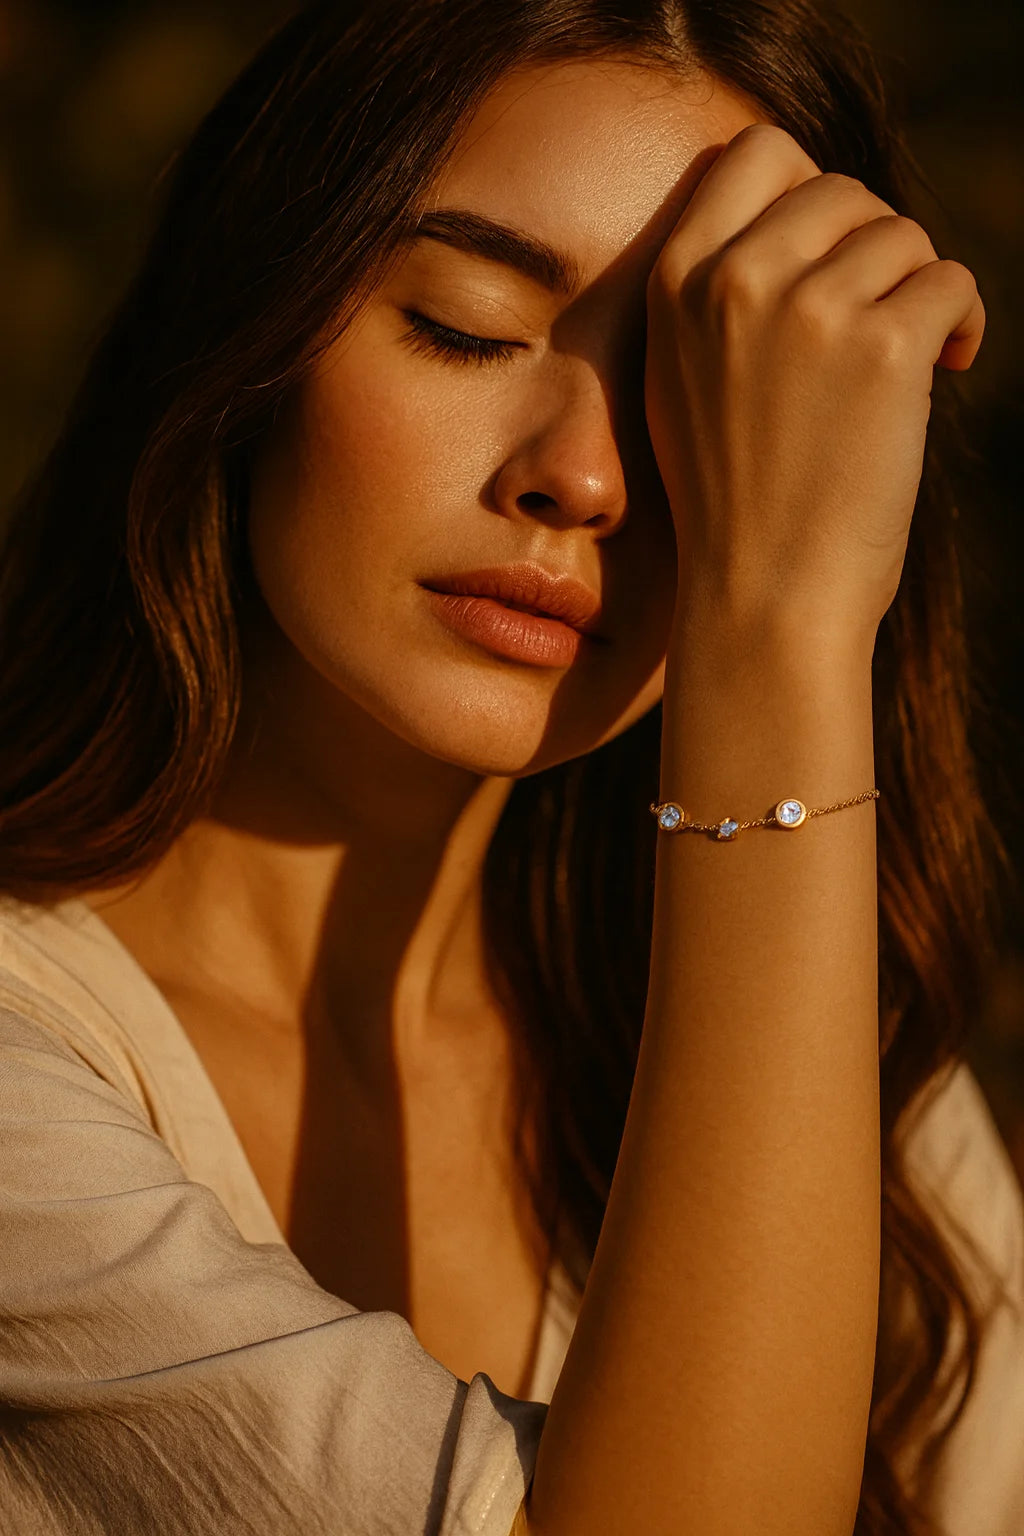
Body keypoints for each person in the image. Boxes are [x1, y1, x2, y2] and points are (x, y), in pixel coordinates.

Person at [0, 0, 1021, 1532]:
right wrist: (779, 630)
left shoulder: (824, 1042)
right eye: (467, 325)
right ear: (255, 329)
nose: (587, 475)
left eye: (697, 395)